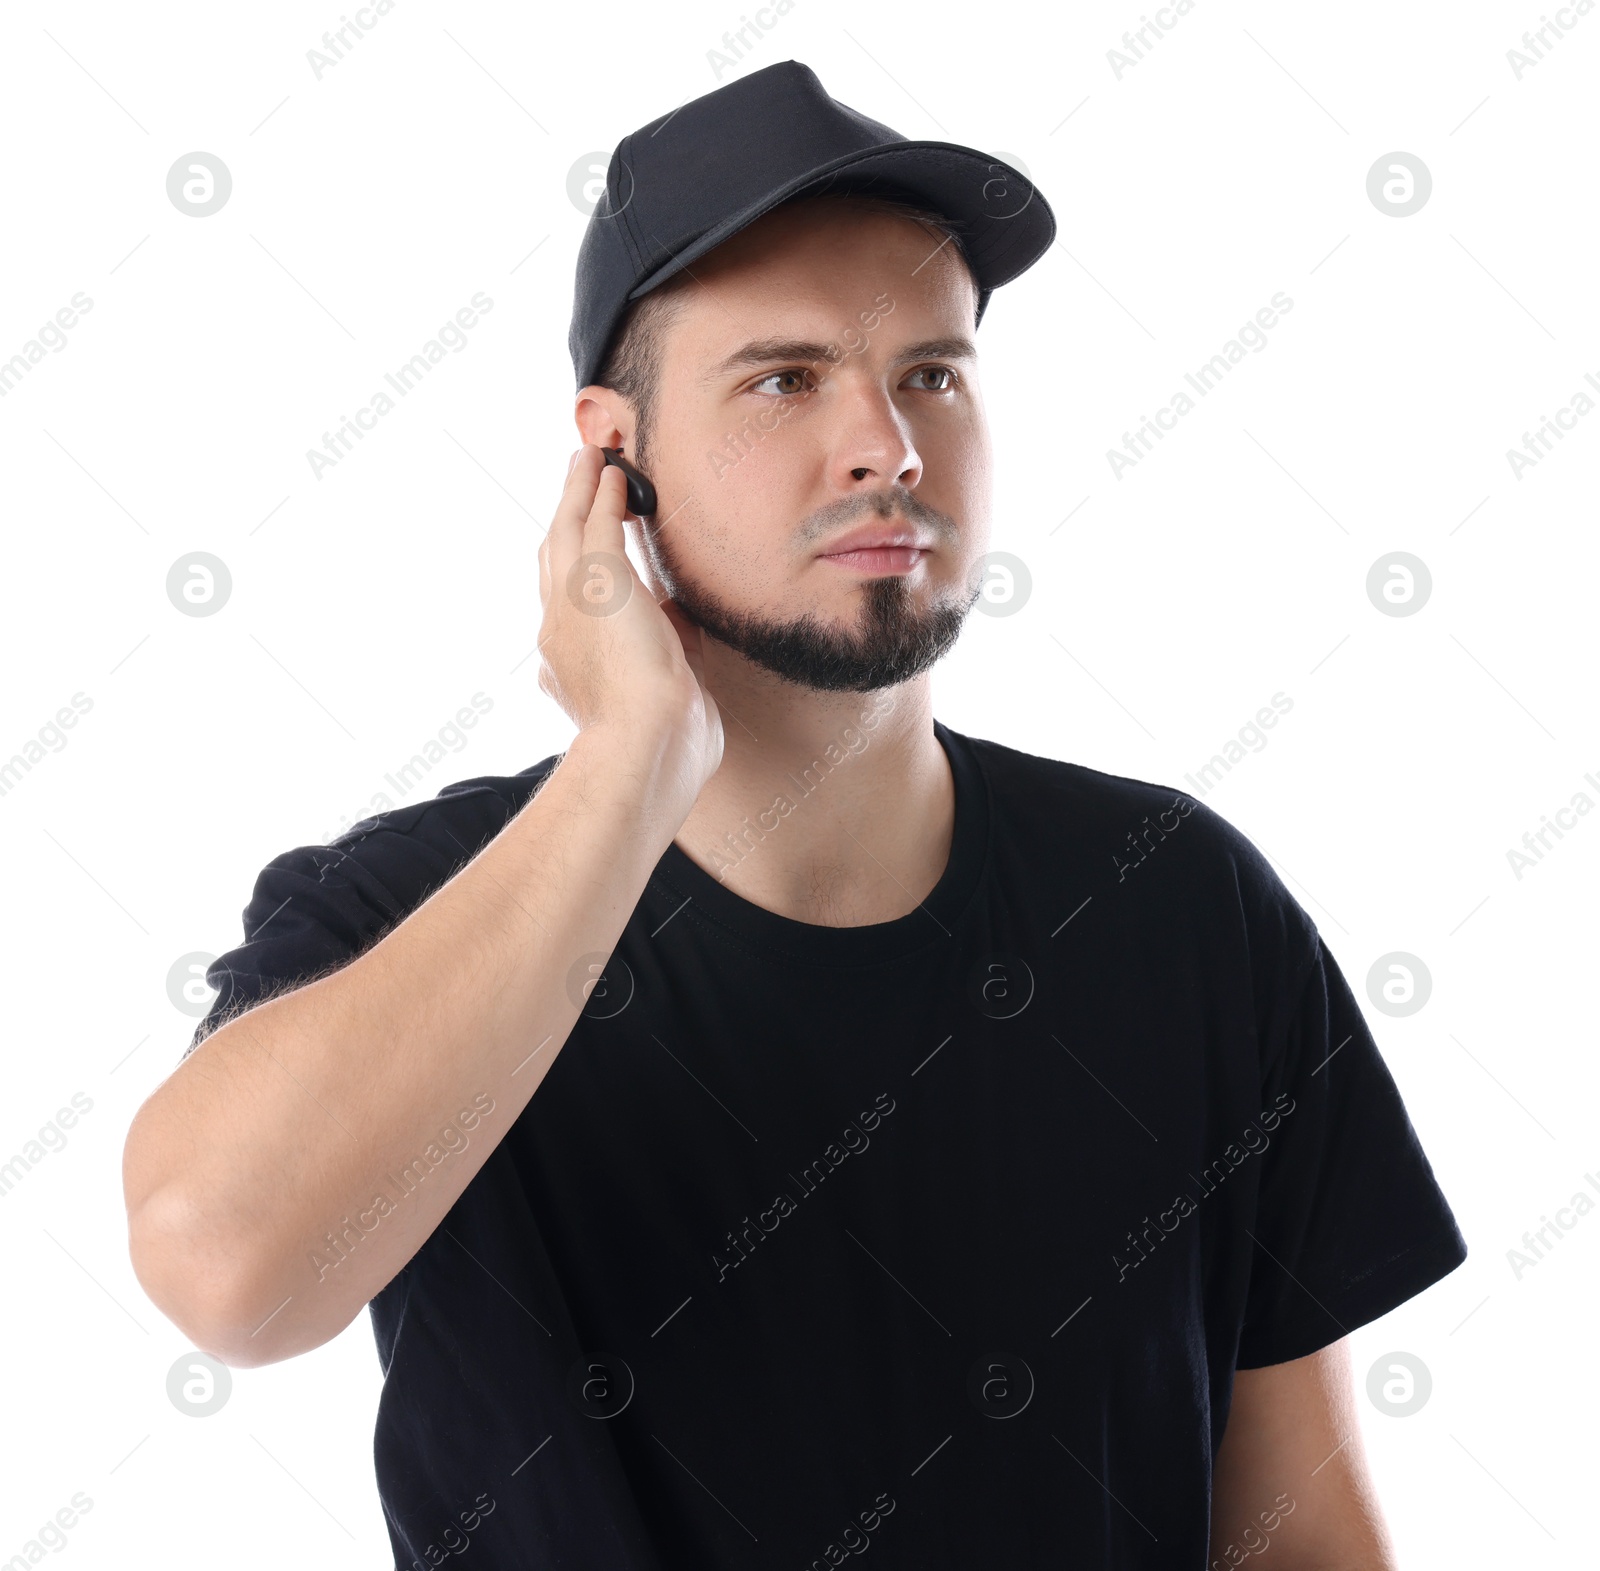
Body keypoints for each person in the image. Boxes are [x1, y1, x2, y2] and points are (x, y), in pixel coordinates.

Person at [123, 60, 1467, 1570]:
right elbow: (222, 1275)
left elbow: (1301, 1538)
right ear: (610, 462)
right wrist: (631, 756)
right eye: (785, 379)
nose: (886, 444)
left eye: (932, 375)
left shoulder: (1180, 905)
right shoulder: (414, 915)